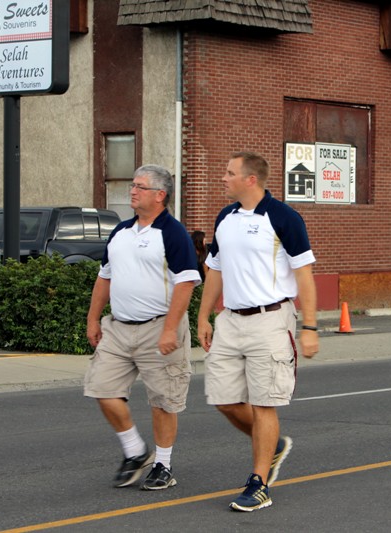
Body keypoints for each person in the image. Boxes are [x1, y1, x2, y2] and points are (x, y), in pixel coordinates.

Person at [198, 151, 318, 512]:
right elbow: (214, 270)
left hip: (271, 318)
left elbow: (305, 277)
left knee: (265, 402)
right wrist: (203, 316)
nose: (224, 177)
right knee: (222, 398)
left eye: (229, 172)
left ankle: (259, 482)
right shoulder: (225, 217)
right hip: (231, 320)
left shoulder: (284, 218)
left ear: (250, 179)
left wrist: (310, 327)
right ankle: (274, 445)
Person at [85, 164, 201, 491]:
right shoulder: (120, 231)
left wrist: (170, 329)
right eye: (133, 186)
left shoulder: (173, 233)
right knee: (102, 389)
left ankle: (163, 464)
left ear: (160, 195)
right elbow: (104, 276)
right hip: (119, 329)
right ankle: (135, 451)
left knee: (163, 401)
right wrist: (93, 318)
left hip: (159, 328)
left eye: (140, 187)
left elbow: (186, 283)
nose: (132, 191)